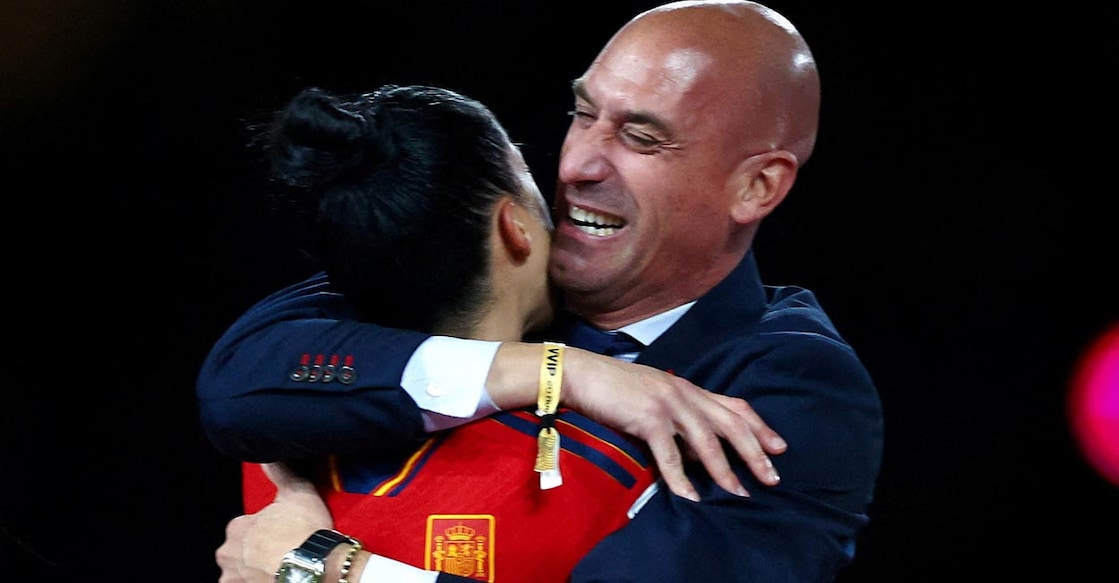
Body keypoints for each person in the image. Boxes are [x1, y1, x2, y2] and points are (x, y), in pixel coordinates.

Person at [199, 1, 884, 581]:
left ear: (755, 185)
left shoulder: (793, 389)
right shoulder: (496, 260)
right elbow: (238, 382)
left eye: (641, 138)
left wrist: (326, 568)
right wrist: (561, 372)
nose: (579, 163)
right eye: (583, 113)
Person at [223, 82, 777, 582]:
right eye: (528, 178)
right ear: (514, 226)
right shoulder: (620, 465)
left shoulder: (276, 437)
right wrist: (566, 371)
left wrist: (316, 565)